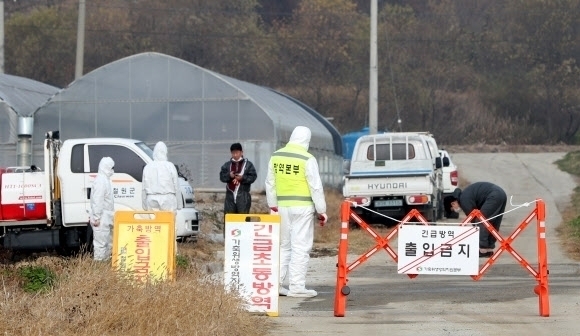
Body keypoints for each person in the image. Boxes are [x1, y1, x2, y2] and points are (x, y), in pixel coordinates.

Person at [265, 126, 328, 298]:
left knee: (283, 246)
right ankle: (297, 286)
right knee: (300, 247)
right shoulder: (307, 158)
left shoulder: (276, 156)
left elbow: (270, 183)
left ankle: (275, 285)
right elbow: (316, 187)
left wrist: (273, 205)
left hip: (282, 207)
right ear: (306, 140)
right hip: (302, 208)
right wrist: (321, 211)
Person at [444, 182, 507, 258]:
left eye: (452, 209)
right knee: (492, 222)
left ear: (453, 203)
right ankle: (489, 249)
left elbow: (473, 219)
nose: (455, 210)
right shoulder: (465, 196)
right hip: (501, 194)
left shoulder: (464, 200)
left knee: (481, 221)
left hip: (493, 196)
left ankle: (483, 249)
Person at [219, 142, 258, 218]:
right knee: (229, 219)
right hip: (230, 196)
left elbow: (253, 177)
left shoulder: (248, 165)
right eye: (233, 153)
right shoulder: (227, 165)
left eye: (237, 152)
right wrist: (229, 175)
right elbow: (222, 177)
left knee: (243, 219)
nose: (235, 155)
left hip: (243, 196)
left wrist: (242, 178)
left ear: (241, 152)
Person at [142, 141, 181, 212]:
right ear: (165, 152)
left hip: (151, 199)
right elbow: (176, 186)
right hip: (168, 199)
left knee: (154, 222)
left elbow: (144, 188)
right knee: (168, 221)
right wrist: (179, 205)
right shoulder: (170, 166)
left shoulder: (147, 167)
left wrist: (144, 205)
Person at [90, 157, 115, 261]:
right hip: (101, 217)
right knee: (101, 244)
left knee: (107, 243)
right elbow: (97, 200)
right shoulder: (101, 181)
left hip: (105, 216)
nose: (113, 170)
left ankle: (105, 265)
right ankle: (99, 266)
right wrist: (97, 217)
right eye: (111, 167)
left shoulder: (104, 180)